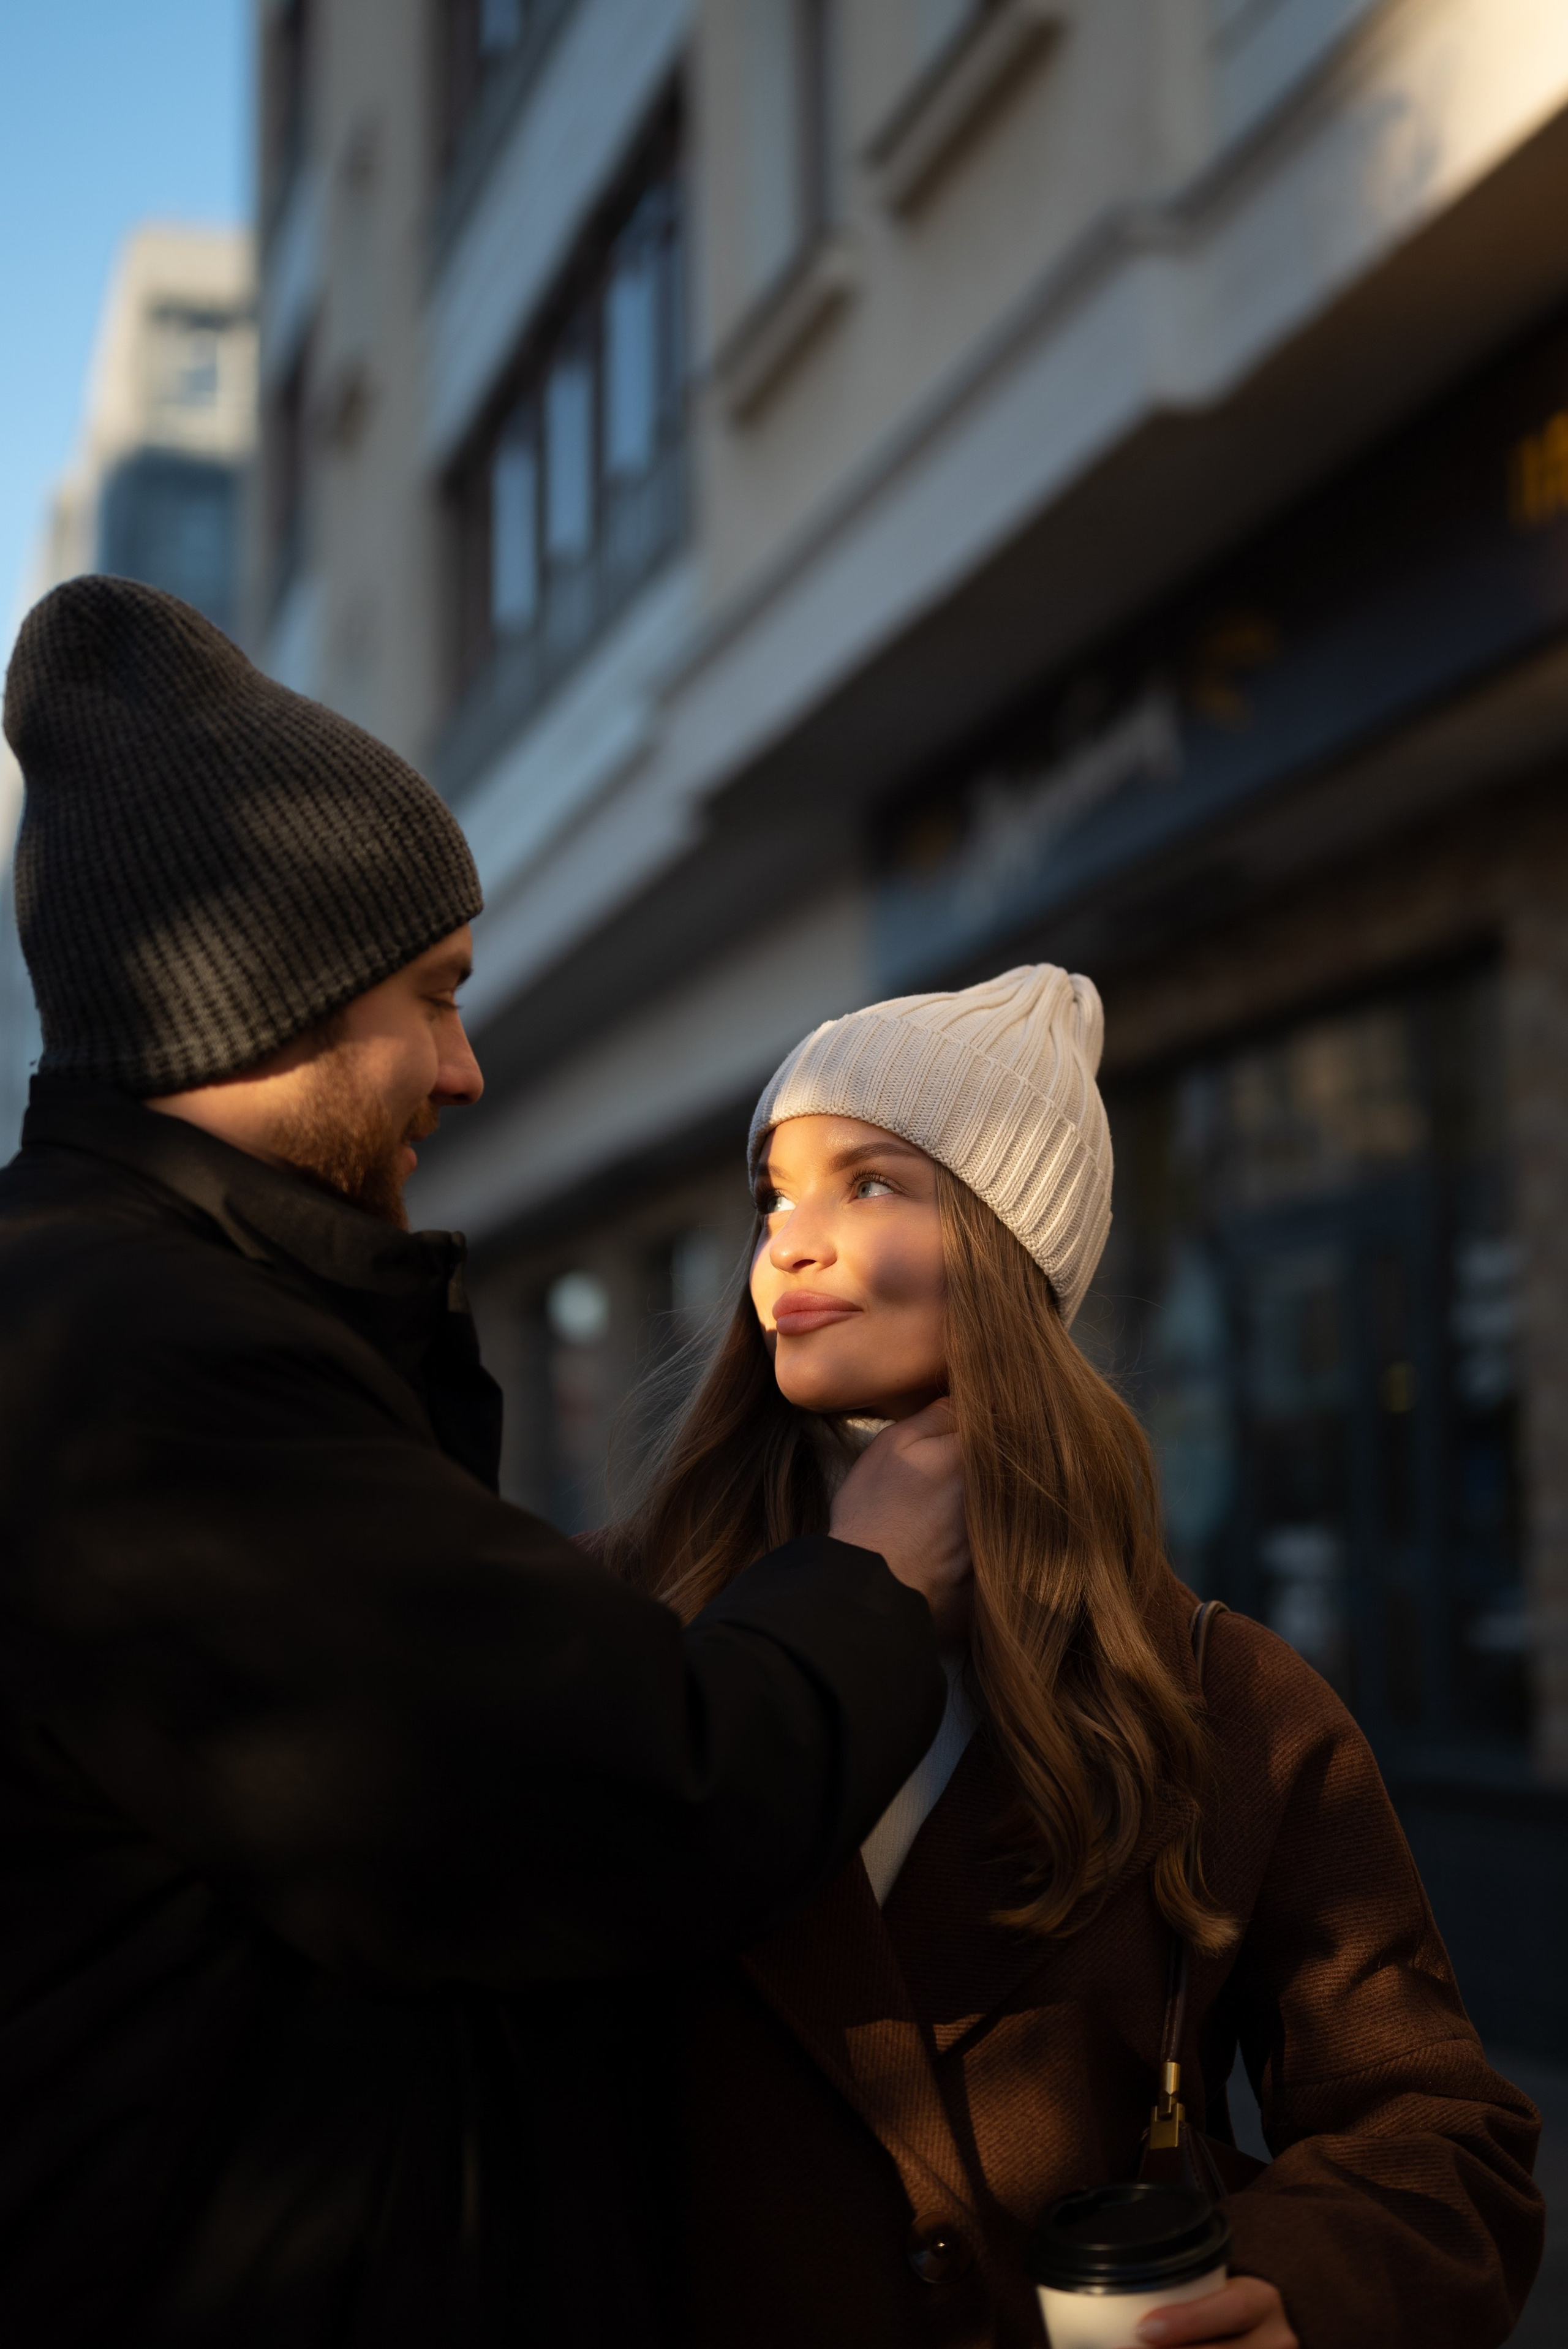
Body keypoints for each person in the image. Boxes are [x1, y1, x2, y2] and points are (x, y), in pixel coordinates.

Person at [0, 576, 971, 2348]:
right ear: (266, 998)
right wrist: (876, 1568)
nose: (465, 1064)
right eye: (433, 995)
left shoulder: (130, 1315)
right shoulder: (152, 1366)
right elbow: (643, 1795)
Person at [603, 963, 1545, 2349]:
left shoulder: (1221, 1695)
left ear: (1004, 1243)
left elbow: (1435, 2129)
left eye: (869, 1184)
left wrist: (1292, 2286)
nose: (789, 1245)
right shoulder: (615, 1626)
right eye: (773, 1195)